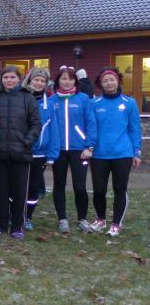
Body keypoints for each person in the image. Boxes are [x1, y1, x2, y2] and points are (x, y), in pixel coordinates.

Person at [0, 65, 41, 239]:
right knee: (0, 191)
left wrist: (26, 142)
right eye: (6, 77)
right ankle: (0, 223)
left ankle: (18, 225)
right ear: (1, 79)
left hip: (21, 153)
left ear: (19, 78)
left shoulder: (27, 98)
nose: (9, 80)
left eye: (12, 77)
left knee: (20, 192)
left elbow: (35, 124)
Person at [90, 67, 141, 237]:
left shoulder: (129, 103)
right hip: (99, 154)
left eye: (112, 79)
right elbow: (90, 128)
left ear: (118, 81)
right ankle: (100, 219)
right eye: (105, 80)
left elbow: (134, 129)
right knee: (99, 190)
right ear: (100, 84)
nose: (109, 83)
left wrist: (136, 152)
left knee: (120, 189)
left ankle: (116, 223)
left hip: (122, 154)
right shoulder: (94, 103)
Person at [47, 66, 97, 234]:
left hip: (79, 149)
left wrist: (89, 146)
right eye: (63, 78)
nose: (67, 82)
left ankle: (82, 219)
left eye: (70, 78)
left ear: (75, 81)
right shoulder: (52, 100)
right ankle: (62, 219)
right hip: (58, 149)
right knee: (59, 184)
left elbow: (91, 123)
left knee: (80, 186)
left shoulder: (83, 99)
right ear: (58, 81)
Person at [21, 67, 57, 231]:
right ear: (30, 80)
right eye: (36, 79)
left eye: (42, 81)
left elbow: (54, 129)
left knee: (33, 187)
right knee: (18, 185)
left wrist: (52, 154)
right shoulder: (21, 98)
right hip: (21, 150)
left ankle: (28, 216)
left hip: (40, 153)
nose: (39, 83)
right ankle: (15, 214)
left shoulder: (49, 104)